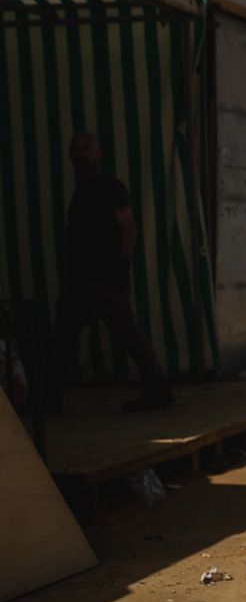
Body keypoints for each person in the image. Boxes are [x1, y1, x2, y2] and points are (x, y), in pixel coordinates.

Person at [49, 132, 173, 413]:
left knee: (125, 333)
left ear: (98, 153)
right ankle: (51, 396)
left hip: (104, 277)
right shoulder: (82, 190)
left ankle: (157, 388)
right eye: (76, 149)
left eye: (86, 148)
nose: (80, 153)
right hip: (81, 278)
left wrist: (122, 264)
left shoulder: (108, 187)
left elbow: (128, 227)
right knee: (64, 336)